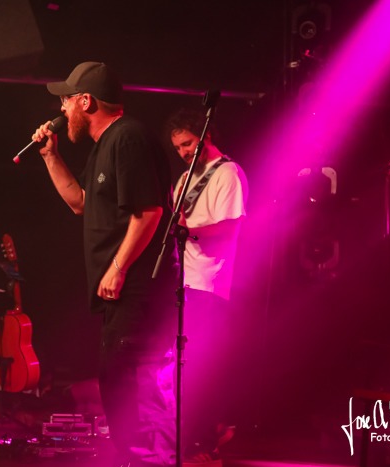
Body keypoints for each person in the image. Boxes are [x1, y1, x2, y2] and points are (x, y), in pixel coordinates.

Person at [31, 61, 179, 466]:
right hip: (121, 292)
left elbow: (149, 212)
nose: (62, 109)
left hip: (138, 289)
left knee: (137, 385)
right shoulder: (105, 145)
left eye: (66, 100)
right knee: (119, 384)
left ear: (86, 101)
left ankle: (156, 460)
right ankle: (140, 458)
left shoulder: (128, 138)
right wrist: (50, 156)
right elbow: (80, 202)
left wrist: (118, 268)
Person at [164, 108, 248, 462]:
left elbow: (230, 228)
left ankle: (208, 438)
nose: (183, 152)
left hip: (209, 284)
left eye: (188, 143)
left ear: (206, 136)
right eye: (178, 147)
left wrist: (188, 231)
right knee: (180, 368)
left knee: (201, 366)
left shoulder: (229, 173)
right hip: (182, 282)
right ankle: (189, 438)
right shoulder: (184, 179)